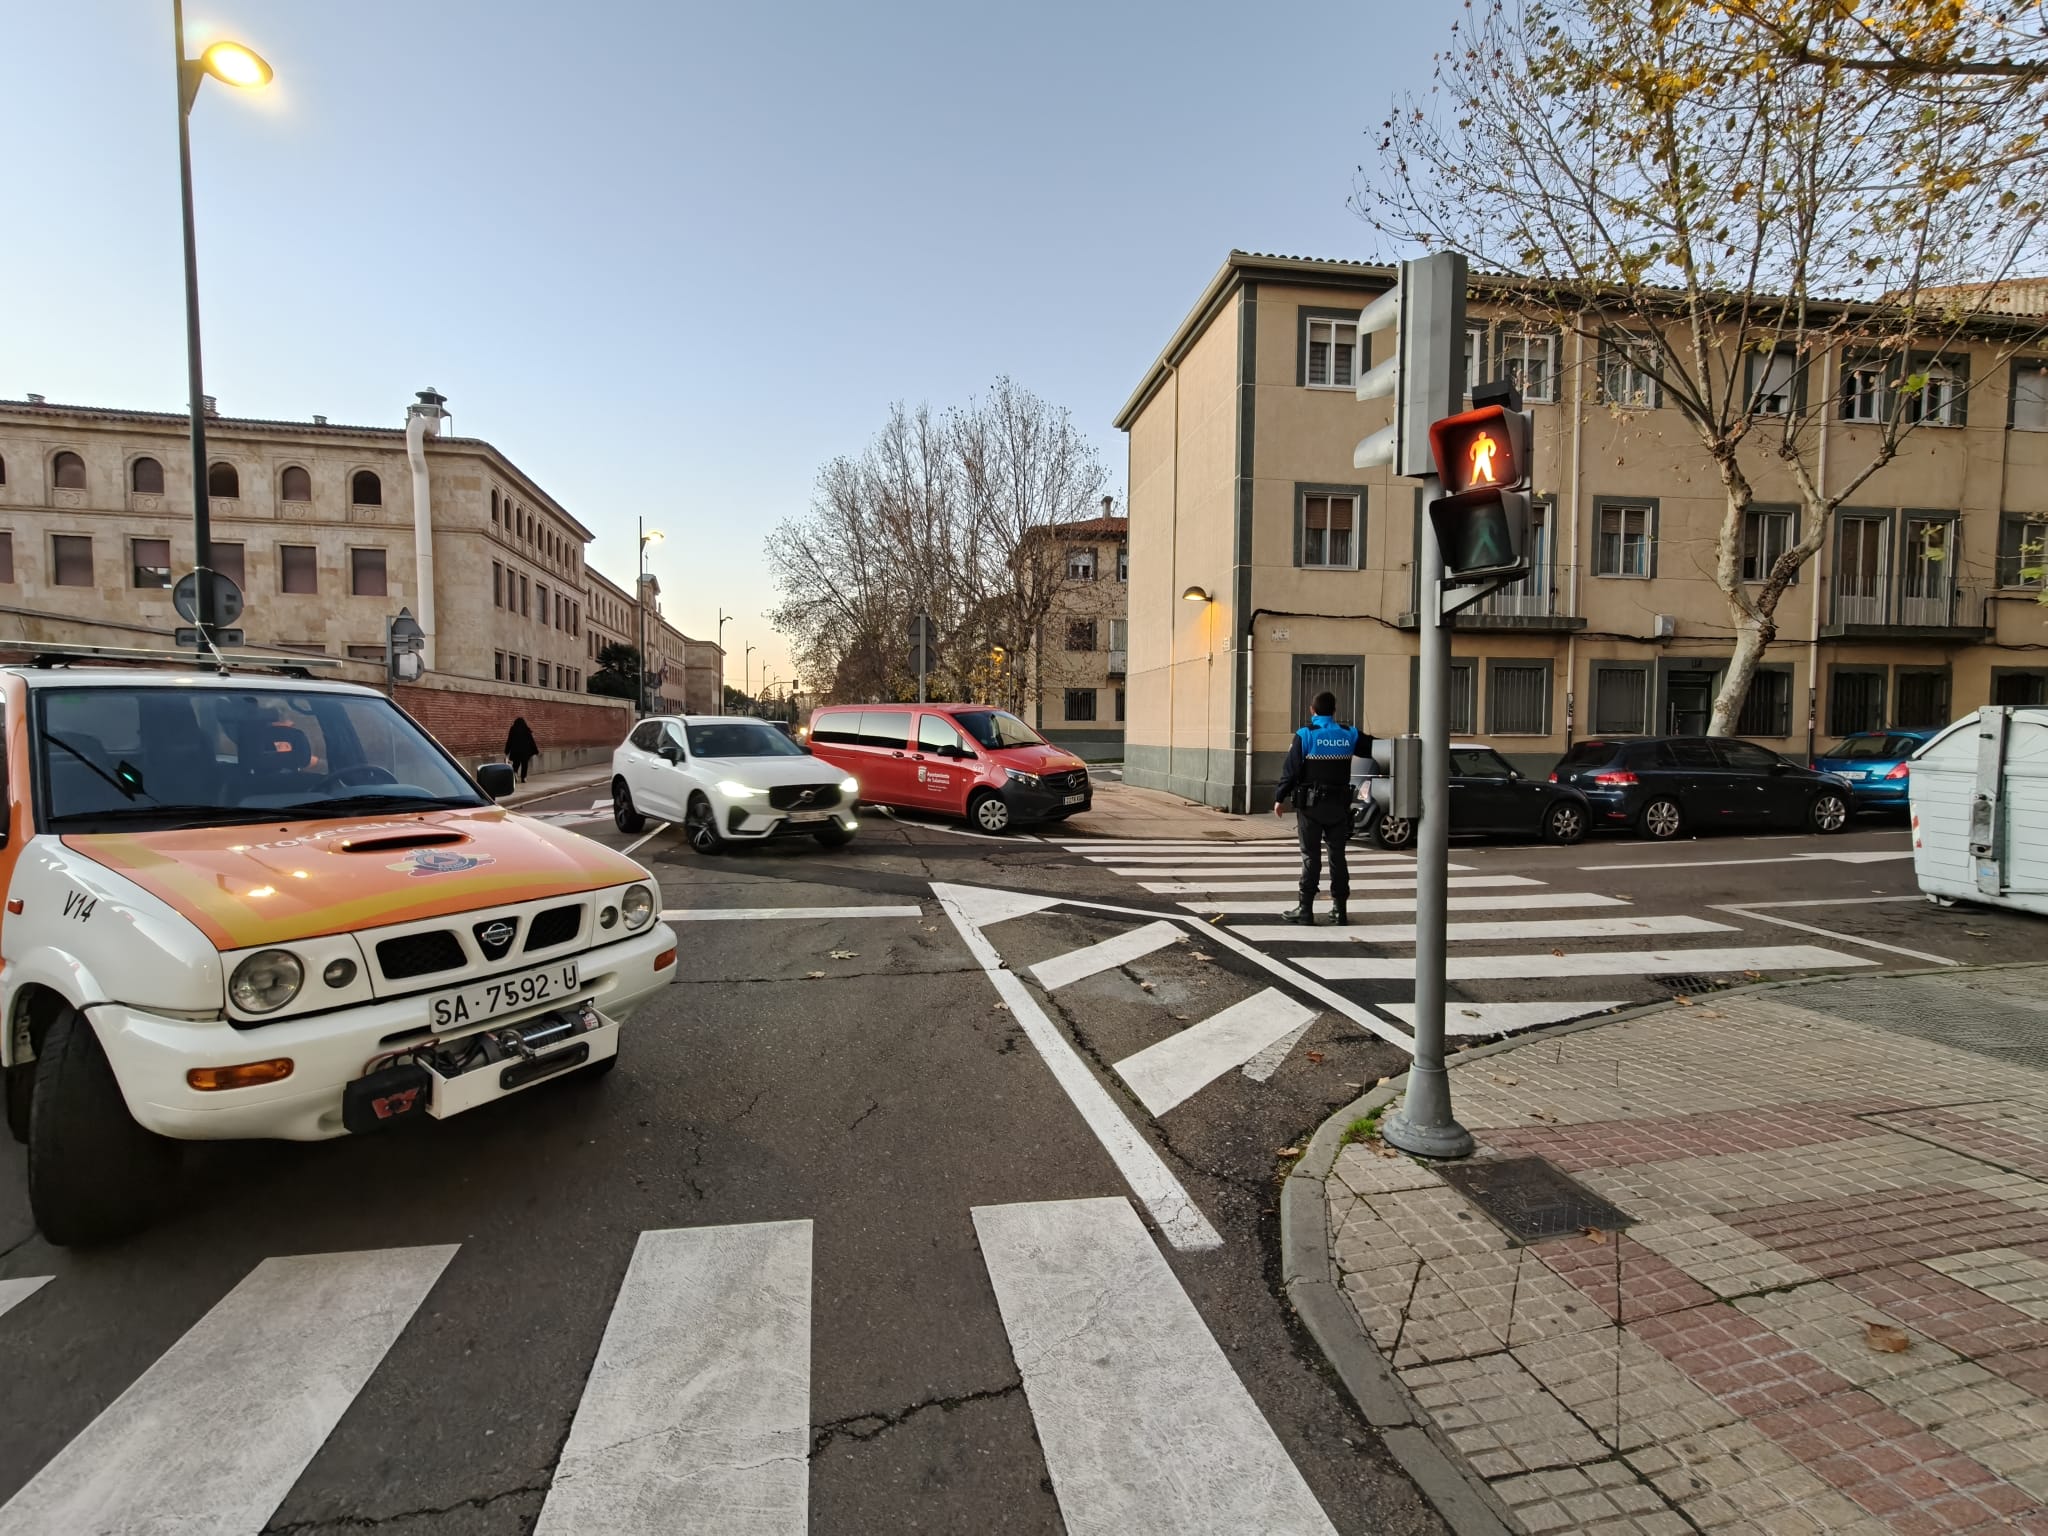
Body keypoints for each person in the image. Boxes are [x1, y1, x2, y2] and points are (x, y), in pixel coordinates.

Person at [1272, 690, 1372, 925]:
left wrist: (1280, 797)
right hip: (1339, 807)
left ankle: (1305, 909)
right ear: (1335, 711)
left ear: (1312, 710)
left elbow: (1291, 769)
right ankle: (1340, 910)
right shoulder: (1350, 734)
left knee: (1311, 856)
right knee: (1338, 857)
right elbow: (1377, 748)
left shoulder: (1306, 734)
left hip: (1311, 807)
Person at [504, 717, 540, 783]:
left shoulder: (513, 729)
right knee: (524, 764)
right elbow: (531, 741)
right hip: (525, 751)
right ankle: (524, 778)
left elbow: (509, 740)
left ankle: (515, 773)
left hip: (515, 751)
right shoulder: (526, 729)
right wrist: (536, 750)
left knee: (516, 764)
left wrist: (507, 750)